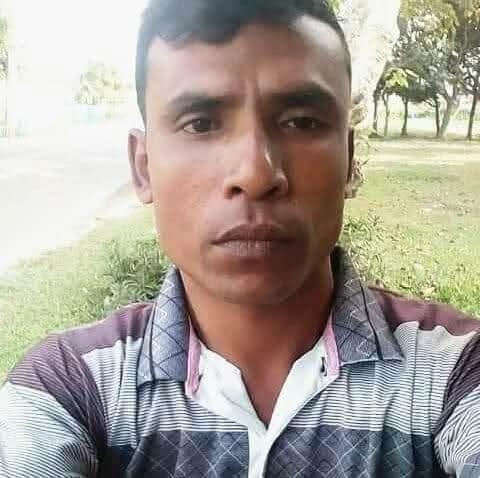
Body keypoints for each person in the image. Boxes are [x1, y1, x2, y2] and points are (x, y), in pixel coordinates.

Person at [1, 1, 479, 476]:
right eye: (200, 124)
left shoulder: (453, 371)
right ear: (143, 168)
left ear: (350, 161)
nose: (255, 174)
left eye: (301, 122)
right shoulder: (69, 388)